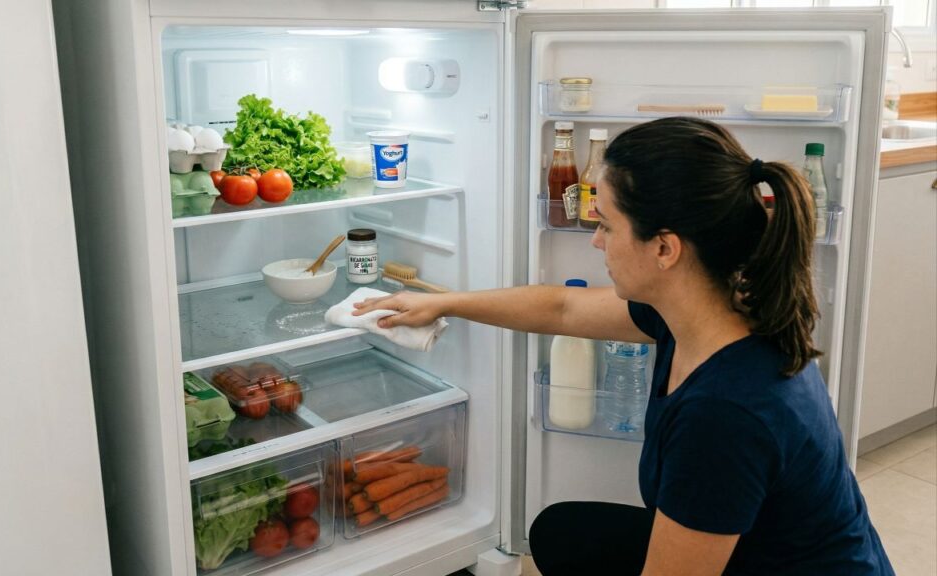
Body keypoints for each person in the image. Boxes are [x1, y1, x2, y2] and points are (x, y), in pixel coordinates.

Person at [353, 117, 892, 575]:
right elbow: (562, 308)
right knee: (563, 532)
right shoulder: (708, 310)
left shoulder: (725, 413)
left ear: (664, 248)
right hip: (760, 549)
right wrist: (445, 303)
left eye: (607, 225)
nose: (594, 240)